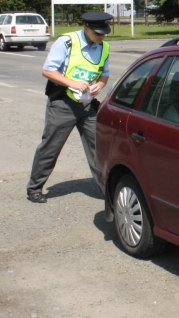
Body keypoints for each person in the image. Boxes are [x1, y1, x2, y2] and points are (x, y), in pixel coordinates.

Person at [26, 11, 113, 203]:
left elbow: (104, 74)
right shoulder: (67, 42)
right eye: (98, 33)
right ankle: (34, 187)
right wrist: (71, 83)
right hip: (63, 104)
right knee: (51, 146)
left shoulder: (104, 47)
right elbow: (48, 71)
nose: (102, 36)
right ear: (86, 29)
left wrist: (101, 84)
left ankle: (108, 190)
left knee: (98, 148)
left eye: (104, 33)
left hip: (88, 106)